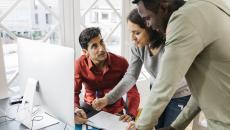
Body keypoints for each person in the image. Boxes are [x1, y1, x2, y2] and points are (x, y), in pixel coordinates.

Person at [127, 0, 230, 130]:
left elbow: (165, 84)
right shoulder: (205, 7)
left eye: (148, 18)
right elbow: (203, 91)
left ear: (163, 7)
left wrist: (140, 126)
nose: (148, 25)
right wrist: (175, 127)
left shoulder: (184, 18)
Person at [92, 8, 191, 129]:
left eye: (137, 32)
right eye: (131, 32)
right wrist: (107, 99)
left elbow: (166, 85)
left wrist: (142, 121)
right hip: (157, 90)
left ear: (151, 29)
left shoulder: (170, 47)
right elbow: (131, 76)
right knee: (157, 126)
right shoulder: (137, 47)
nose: (132, 38)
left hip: (179, 94)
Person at [75, 27, 140, 124]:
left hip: (115, 113)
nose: (101, 49)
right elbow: (73, 92)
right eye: (94, 46)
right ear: (85, 52)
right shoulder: (79, 64)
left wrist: (131, 114)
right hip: (89, 111)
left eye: (101, 42)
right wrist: (75, 109)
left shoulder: (121, 62)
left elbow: (132, 91)